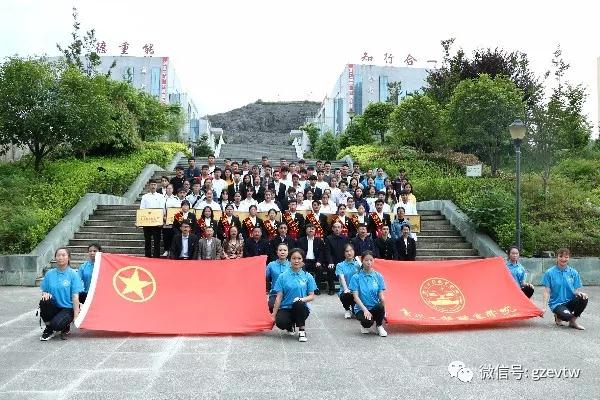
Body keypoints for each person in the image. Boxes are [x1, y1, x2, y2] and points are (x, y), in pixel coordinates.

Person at [271, 248, 317, 342]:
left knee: (298, 304)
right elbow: (279, 297)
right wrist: (273, 315)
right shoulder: (283, 276)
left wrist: (302, 299)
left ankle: (302, 330)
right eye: (294, 258)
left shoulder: (308, 276)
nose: (296, 261)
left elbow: (312, 296)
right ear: (290, 259)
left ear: (302, 260)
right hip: (286, 308)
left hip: (301, 308)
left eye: (299, 258)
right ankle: (290, 325)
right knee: (280, 322)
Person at [39, 248, 83, 340]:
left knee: (56, 325)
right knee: (44, 301)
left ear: (68, 258)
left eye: (63, 255)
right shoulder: (49, 274)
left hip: (67, 308)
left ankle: (65, 325)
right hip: (54, 306)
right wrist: (45, 294)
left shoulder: (73, 274)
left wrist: (76, 316)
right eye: (58, 255)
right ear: (55, 257)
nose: (60, 257)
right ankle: (48, 329)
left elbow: (75, 296)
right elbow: (45, 290)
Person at [541, 248, 588, 330]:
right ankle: (558, 315)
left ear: (569, 258)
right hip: (557, 304)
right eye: (561, 256)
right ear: (557, 257)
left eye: (566, 257)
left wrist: (580, 293)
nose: (563, 259)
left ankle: (573, 322)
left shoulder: (573, 272)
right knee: (567, 317)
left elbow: (575, 291)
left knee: (584, 298)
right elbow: (546, 291)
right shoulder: (549, 273)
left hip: (570, 301)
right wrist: (544, 307)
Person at [350, 251, 387, 337]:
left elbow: (381, 295)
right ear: (362, 261)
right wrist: (365, 310)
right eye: (366, 260)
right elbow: (355, 297)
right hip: (361, 309)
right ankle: (364, 325)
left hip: (374, 307)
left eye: (371, 260)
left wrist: (384, 310)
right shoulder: (356, 277)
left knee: (380, 307)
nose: (369, 262)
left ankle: (379, 326)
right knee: (368, 323)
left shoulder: (378, 276)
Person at [140, 179, 166, 258]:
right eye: (151, 185)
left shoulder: (160, 196)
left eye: (154, 185)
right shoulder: (145, 196)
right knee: (147, 240)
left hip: (156, 221)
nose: (153, 186)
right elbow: (142, 209)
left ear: (157, 186)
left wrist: (161, 221)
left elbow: (162, 209)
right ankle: (147, 256)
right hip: (147, 221)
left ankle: (156, 256)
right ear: (149, 186)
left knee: (157, 240)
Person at [297, 224, 325, 295]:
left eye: (312, 228)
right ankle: (304, 288)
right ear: (306, 230)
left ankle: (316, 288)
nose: (311, 230)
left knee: (320, 269)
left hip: (315, 262)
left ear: (315, 231)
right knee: (301, 269)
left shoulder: (319, 240)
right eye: (309, 228)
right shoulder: (301, 240)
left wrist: (319, 261)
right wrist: (301, 261)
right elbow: (298, 252)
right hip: (304, 261)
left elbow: (322, 252)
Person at [324, 221, 350, 295]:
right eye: (335, 227)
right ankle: (331, 289)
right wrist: (330, 262)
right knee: (330, 269)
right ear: (332, 229)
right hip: (333, 261)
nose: (337, 229)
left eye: (339, 227)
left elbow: (348, 251)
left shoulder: (345, 238)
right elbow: (327, 252)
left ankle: (347, 288)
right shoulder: (328, 238)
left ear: (342, 229)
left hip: (343, 261)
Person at [336, 244, 361, 319]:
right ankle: (347, 309)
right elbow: (342, 278)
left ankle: (354, 308)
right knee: (345, 295)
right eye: (347, 251)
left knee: (356, 314)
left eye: (351, 250)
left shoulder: (359, 264)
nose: (349, 253)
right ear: (344, 253)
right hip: (347, 291)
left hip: (358, 291)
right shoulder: (340, 265)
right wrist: (346, 289)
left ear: (354, 251)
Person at [266, 243, 291, 312]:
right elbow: (264, 278)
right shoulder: (271, 265)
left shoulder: (292, 265)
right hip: (275, 293)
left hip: (289, 293)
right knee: (271, 305)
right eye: (280, 250)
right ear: (277, 252)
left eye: (285, 250)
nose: (282, 252)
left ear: (288, 252)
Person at [162, 184, 181, 256]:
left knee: (174, 236)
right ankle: (166, 250)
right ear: (166, 189)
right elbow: (161, 209)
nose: (169, 190)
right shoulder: (162, 198)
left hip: (174, 221)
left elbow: (178, 210)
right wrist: (163, 217)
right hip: (165, 220)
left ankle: (173, 251)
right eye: (168, 188)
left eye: (171, 188)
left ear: (173, 190)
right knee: (166, 236)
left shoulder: (176, 198)